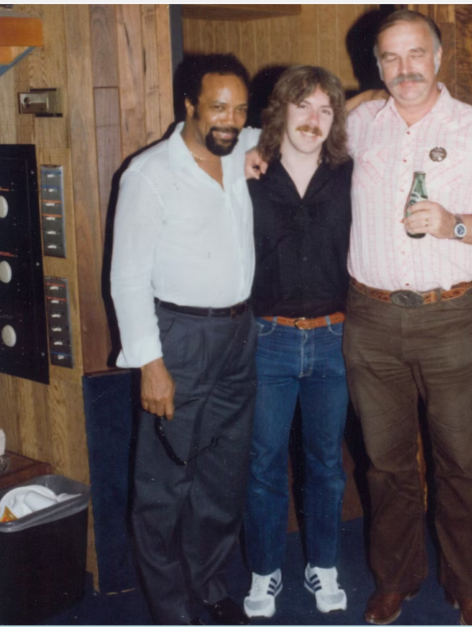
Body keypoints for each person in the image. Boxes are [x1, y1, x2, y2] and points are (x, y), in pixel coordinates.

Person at [342, 10, 472, 626]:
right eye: (391, 59)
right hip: (369, 320)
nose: (406, 69)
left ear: (438, 57)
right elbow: (293, 135)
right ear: (377, 68)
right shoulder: (356, 126)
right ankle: (395, 579)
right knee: (386, 463)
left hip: (449, 316)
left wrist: (458, 224)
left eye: (416, 54)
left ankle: (470, 586)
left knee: (460, 461)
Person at [110, 53, 261, 626]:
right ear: (190, 106)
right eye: (218, 106)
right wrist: (150, 364)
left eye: (240, 108)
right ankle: (172, 611)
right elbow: (126, 276)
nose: (231, 118)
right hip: (178, 338)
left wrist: (378, 93)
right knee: (163, 486)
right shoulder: (149, 173)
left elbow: (305, 118)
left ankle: (208, 586)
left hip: (238, 336)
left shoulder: (244, 147)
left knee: (222, 480)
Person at [242, 66, 353, 619]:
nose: (313, 120)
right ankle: (265, 572)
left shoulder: (350, 174)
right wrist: (241, 149)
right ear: (281, 109)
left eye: (325, 110)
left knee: (326, 465)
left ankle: (323, 564)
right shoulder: (247, 172)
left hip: (335, 340)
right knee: (263, 464)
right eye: (303, 106)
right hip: (269, 341)